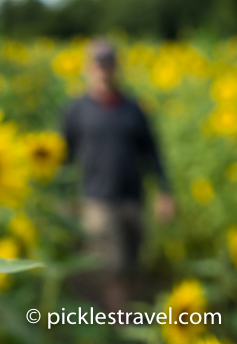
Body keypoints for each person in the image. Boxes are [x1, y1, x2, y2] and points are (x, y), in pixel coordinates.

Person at [62, 39, 175, 311]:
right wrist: (63, 197)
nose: (104, 70)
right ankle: (116, 322)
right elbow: (63, 157)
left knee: (131, 262)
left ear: (117, 67)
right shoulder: (76, 110)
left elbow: (152, 152)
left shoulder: (133, 108)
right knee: (113, 266)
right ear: (88, 68)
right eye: (98, 64)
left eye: (108, 63)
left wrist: (164, 191)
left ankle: (113, 313)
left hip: (132, 199)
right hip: (97, 200)